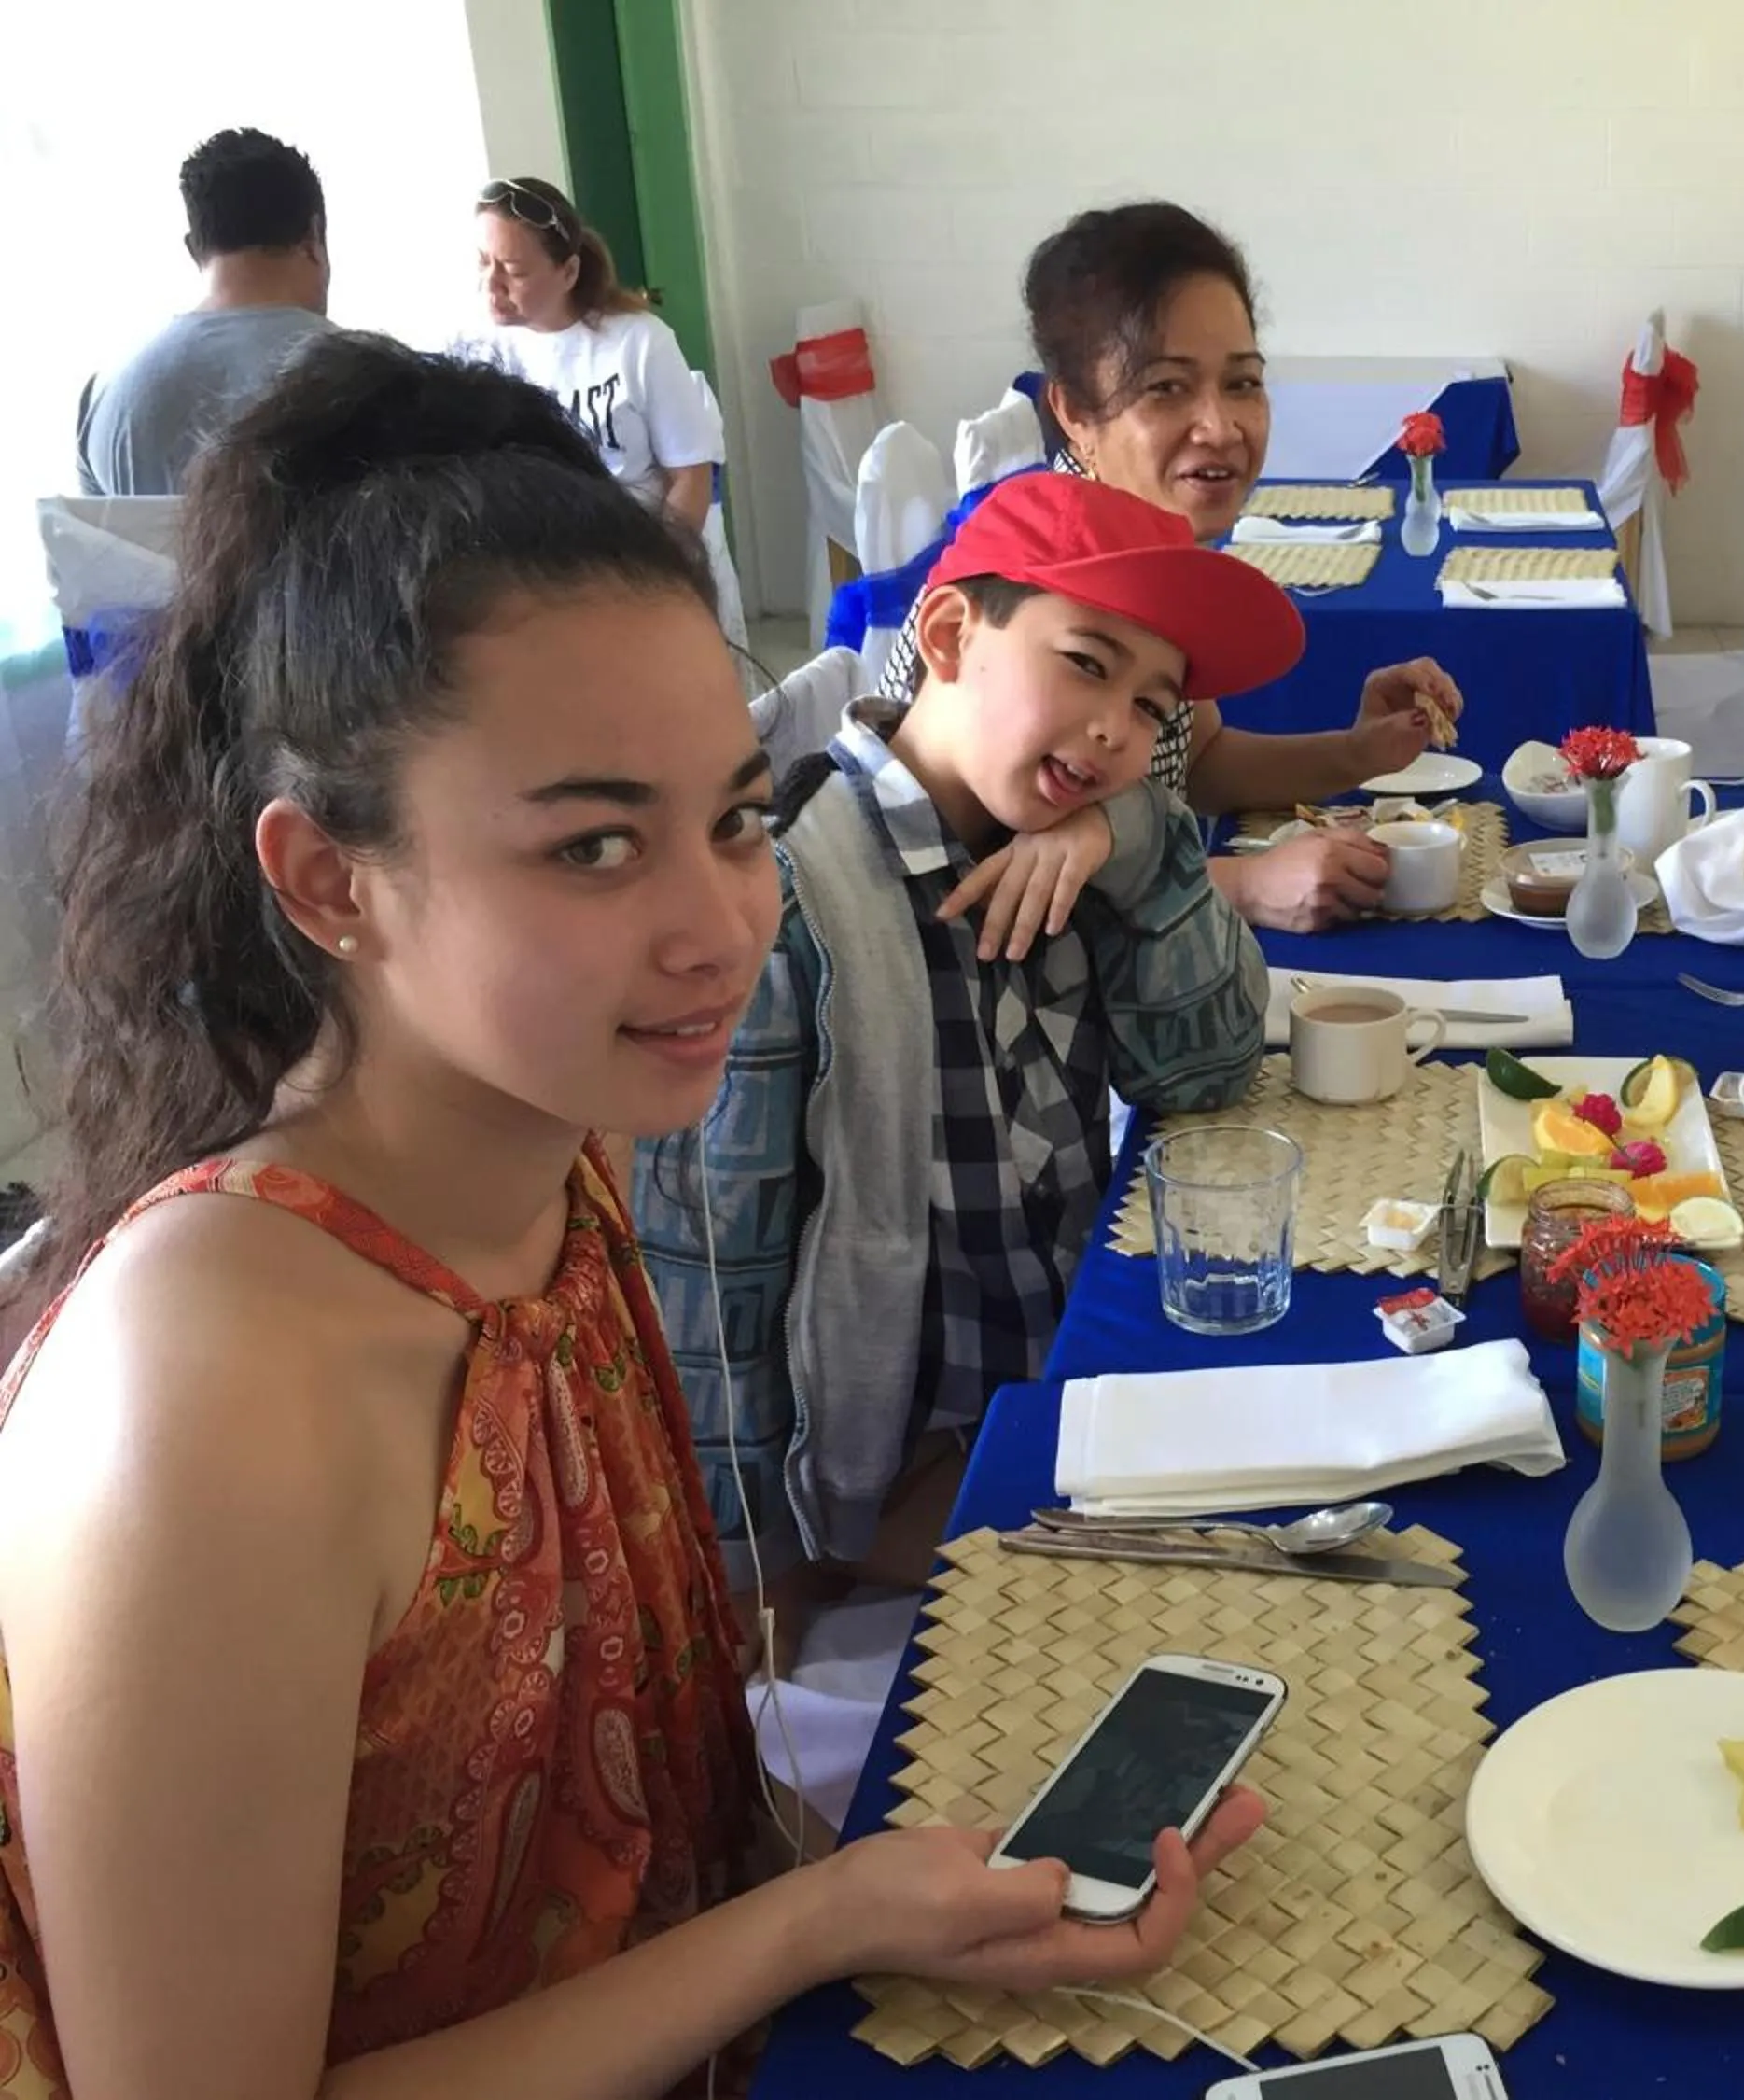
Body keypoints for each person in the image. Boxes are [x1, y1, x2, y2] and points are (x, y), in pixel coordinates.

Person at [0, 334, 1262, 2099]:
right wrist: (818, 1925)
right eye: (595, 848)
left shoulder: (551, 1172)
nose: (719, 927)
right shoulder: (213, 1384)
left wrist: (838, 1904)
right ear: (325, 879)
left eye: (739, 818)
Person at [633, 470, 1289, 1664]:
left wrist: (1134, 841)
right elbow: (708, 1296)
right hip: (892, 1486)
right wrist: (748, 1599)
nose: (1116, 731)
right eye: (1087, 663)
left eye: (1154, 708)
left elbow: (1210, 1068)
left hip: (1066, 1379)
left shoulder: (1059, 845)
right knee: (1252, 1609)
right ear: (946, 635)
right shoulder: (791, 908)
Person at [880, 203, 1464, 933]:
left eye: (1243, 383)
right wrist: (1244, 885)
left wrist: (1356, 752)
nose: (1221, 427)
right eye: (1166, 388)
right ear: (1073, 413)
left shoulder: (1163, 553)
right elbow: (969, 891)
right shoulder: (1022, 586)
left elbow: (1195, 760)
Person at [466, 175, 748, 645]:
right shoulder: (478, 349)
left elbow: (690, 478)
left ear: (568, 272)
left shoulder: (639, 342)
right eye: (481, 263)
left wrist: (650, 582)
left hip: (649, 566)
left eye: (514, 272)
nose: (491, 285)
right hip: (554, 580)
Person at [75, 128, 330, 496]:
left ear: (194, 249)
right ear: (313, 236)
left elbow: (93, 551)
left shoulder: (105, 395)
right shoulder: (390, 382)